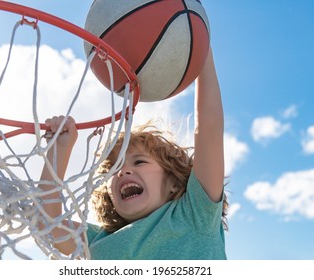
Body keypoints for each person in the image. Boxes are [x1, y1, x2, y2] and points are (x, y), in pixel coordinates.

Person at [39, 47, 228, 259]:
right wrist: (59, 151)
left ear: (174, 182)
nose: (122, 171)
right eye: (114, 168)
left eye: (139, 162)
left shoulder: (195, 215)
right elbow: (47, 226)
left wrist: (202, 52)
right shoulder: (98, 238)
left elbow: (209, 129)